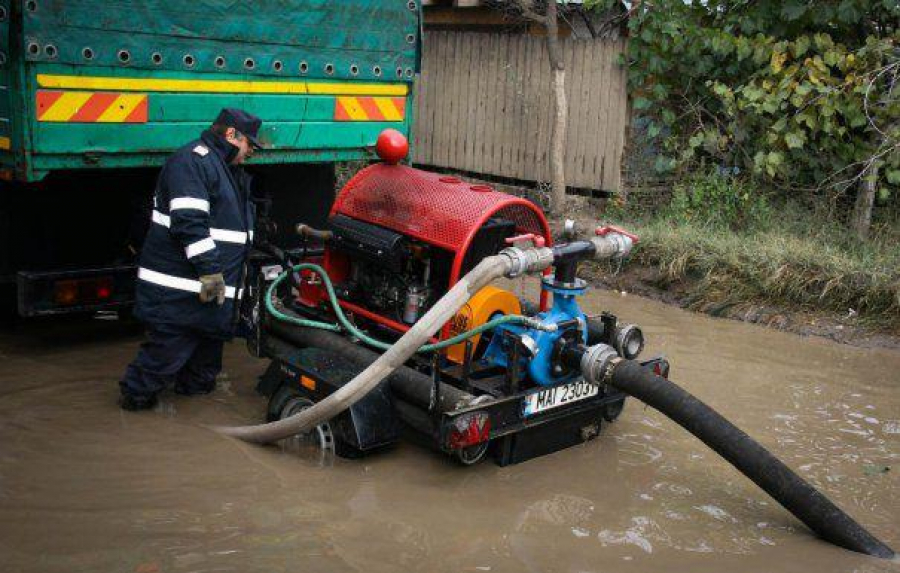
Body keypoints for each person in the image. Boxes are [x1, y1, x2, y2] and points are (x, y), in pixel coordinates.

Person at [119, 108, 263, 411]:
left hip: (208, 300)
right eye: (250, 143)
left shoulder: (221, 168)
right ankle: (134, 411)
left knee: (202, 379)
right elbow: (190, 224)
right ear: (231, 135)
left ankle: (192, 427)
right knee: (157, 368)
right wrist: (212, 274)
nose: (251, 151)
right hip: (179, 297)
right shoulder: (192, 163)